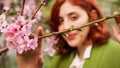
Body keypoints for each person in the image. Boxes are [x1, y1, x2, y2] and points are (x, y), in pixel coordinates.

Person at [16, 0, 120, 68]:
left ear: (92, 17)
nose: (65, 27)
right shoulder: (59, 61)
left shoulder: (116, 52)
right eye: (60, 20)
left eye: (74, 17)